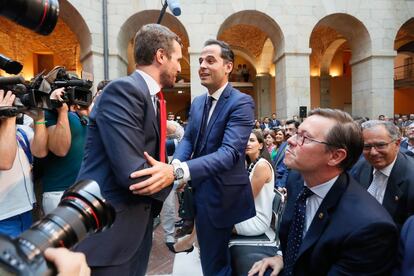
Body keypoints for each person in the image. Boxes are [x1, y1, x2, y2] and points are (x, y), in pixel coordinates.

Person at [129, 39, 255, 276]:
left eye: (210, 60)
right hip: (201, 192)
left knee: (215, 264)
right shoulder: (198, 102)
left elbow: (229, 154)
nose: (202, 66)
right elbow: (188, 139)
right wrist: (175, 163)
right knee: (208, 255)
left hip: (224, 197)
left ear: (228, 66)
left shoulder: (241, 102)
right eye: (200, 61)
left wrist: (177, 172)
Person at [74, 24, 182, 275]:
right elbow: (132, 174)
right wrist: (177, 173)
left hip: (133, 230)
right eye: (177, 59)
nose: (179, 67)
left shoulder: (149, 96)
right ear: (161, 56)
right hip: (110, 233)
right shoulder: (124, 91)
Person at [248, 108, 398, 276]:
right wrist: (283, 257)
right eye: (297, 133)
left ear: (335, 156)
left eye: (304, 138)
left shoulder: (369, 228)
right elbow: (296, 237)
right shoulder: (297, 179)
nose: (290, 141)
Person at [0, 90, 48, 237]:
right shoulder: (10, 125)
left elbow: (40, 152)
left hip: (26, 211)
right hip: (3, 217)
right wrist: (9, 117)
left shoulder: (21, 131)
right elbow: (5, 161)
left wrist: (39, 119)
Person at [351, 120, 414, 228]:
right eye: (366, 147)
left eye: (380, 145)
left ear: (397, 144)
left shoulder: (410, 177)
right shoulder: (360, 167)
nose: (373, 152)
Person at [39, 86, 90, 214]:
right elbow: (60, 150)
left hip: (82, 189)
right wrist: (61, 111)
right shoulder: (51, 113)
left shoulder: (80, 115)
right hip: (59, 193)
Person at [234, 130, 275, 236]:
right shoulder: (252, 164)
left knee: (211, 218)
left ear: (261, 145)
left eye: (252, 140)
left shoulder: (261, 166)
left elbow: (247, 199)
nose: (247, 143)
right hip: (247, 214)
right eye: (245, 140)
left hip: (256, 220)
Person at [273, 119, 299, 189]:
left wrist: (281, 185)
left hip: (285, 185)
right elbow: (275, 163)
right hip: (275, 181)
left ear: (297, 130)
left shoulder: (299, 147)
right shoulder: (283, 144)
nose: (287, 132)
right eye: (286, 130)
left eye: (291, 130)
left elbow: (289, 169)